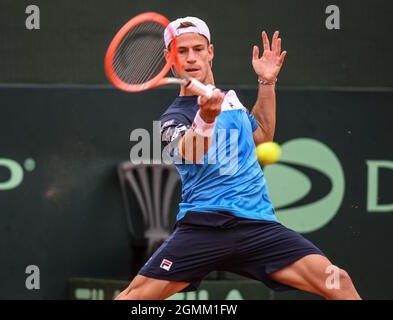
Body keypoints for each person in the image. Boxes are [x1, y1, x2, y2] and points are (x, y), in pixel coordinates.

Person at [115, 16, 361, 300]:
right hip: (205, 227)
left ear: (211, 52)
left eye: (198, 48)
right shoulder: (173, 118)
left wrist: (267, 83)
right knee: (132, 298)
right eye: (181, 51)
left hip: (257, 226)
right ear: (169, 58)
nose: (191, 58)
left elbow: (264, 136)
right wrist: (206, 118)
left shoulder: (230, 100)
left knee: (337, 281)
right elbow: (191, 152)